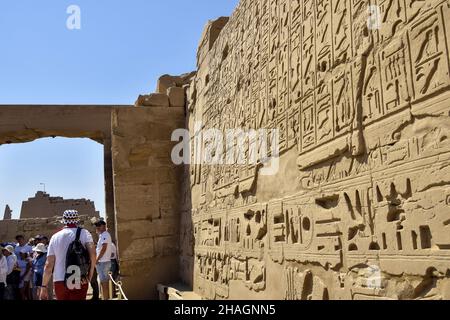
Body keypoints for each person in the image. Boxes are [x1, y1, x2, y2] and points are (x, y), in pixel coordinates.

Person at [40, 210, 96, 301]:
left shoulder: (55, 237)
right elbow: (93, 255)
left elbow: (49, 265)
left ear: (64, 220)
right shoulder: (85, 233)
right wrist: (90, 273)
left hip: (60, 279)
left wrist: (44, 286)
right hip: (79, 277)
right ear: (77, 219)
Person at [94, 219, 113, 300]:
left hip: (103, 262)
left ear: (102, 226)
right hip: (102, 261)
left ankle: (106, 298)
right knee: (103, 282)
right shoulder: (102, 235)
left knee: (104, 283)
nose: (97, 228)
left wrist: (97, 259)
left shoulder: (105, 234)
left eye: (98, 226)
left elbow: (104, 248)